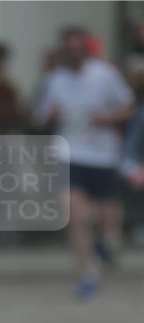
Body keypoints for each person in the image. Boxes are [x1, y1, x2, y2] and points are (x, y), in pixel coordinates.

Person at [36, 26, 134, 299]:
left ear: (85, 49)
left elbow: (128, 108)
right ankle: (87, 273)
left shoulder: (106, 75)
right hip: (68, 152)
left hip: (103, 155)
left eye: (77, 48)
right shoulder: (55, 79)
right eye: (68, 48)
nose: (73, 53)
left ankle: (106, 243)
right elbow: (40, 114)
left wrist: (108, 119)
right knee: (75, 216)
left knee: (106, 218)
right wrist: (50, 115)